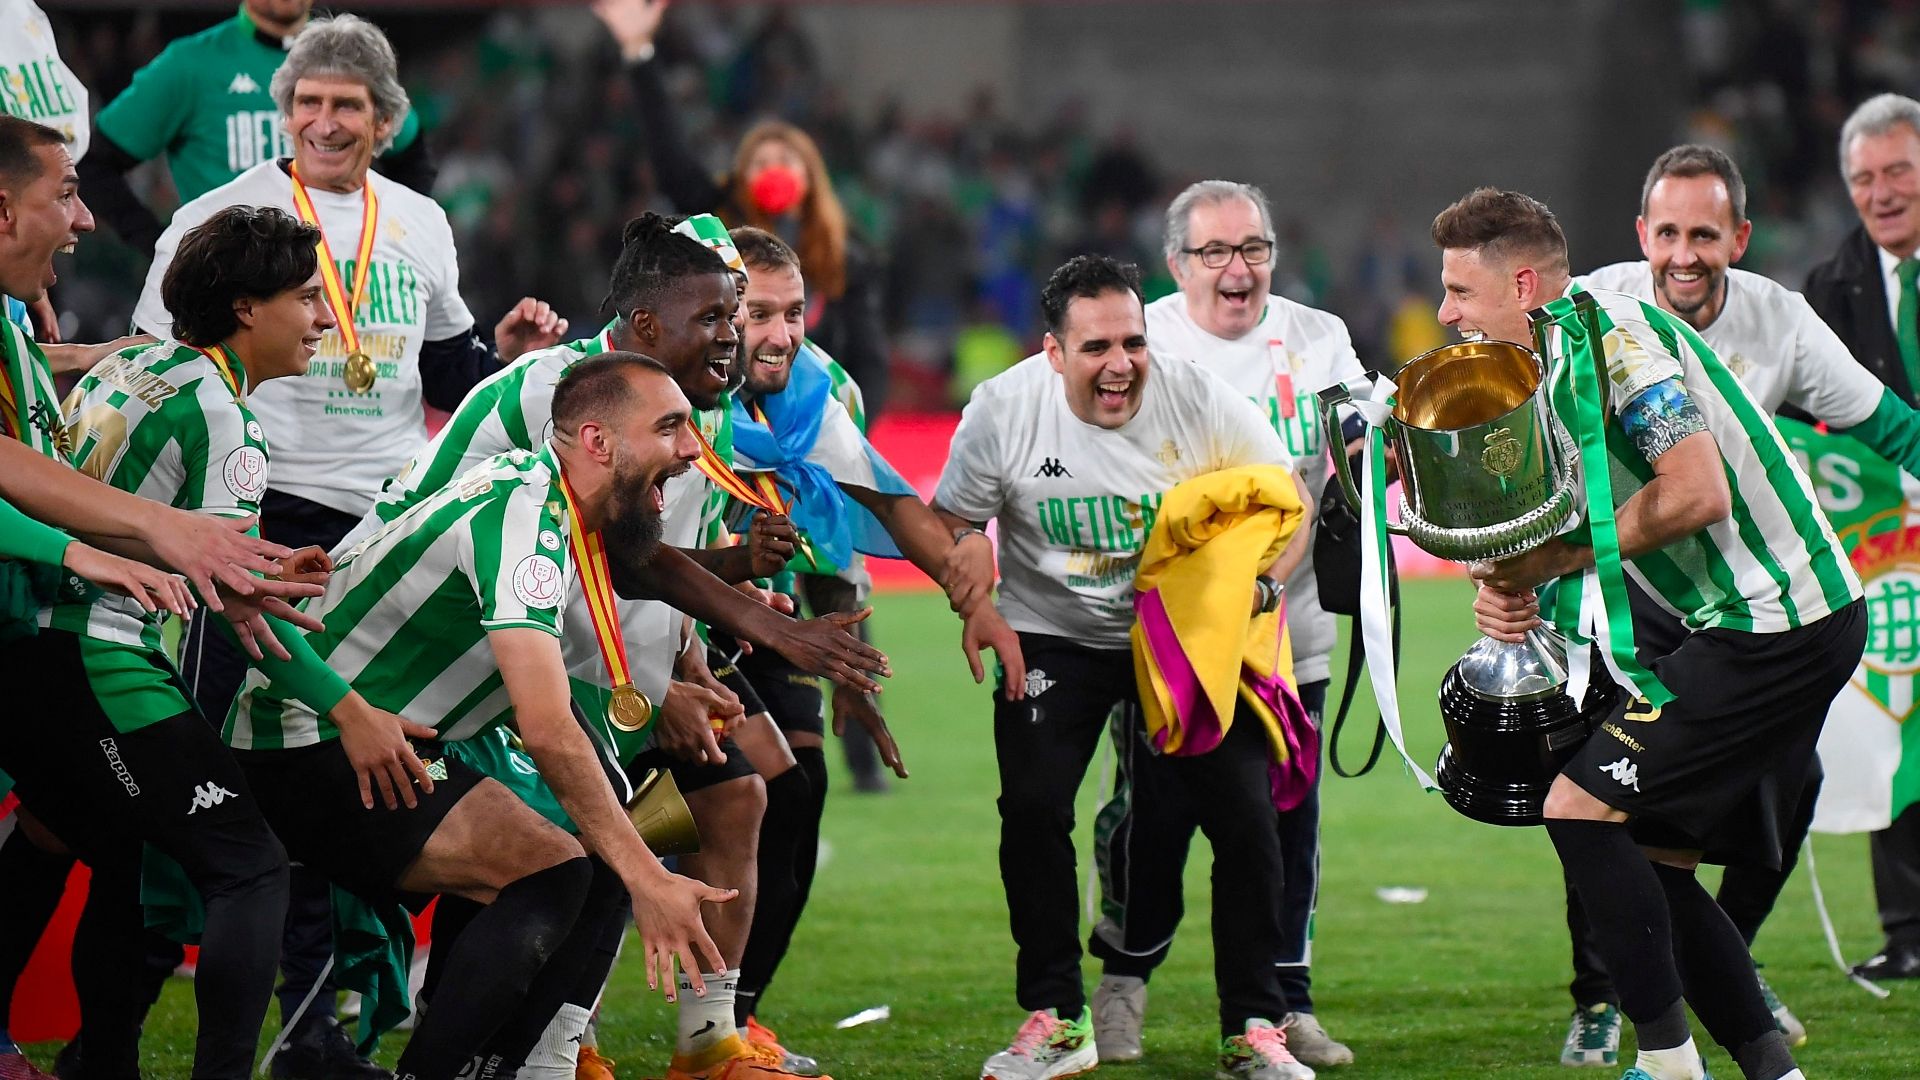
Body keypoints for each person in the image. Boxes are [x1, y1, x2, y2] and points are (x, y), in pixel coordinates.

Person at [352, 212, 889, 1080]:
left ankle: (705, 1040)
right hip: (505, 678)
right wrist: (765, 632)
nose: (738, 335)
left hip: (622, 677)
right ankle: (543, 1050)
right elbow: (590, 559)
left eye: (742, 314)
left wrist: (697, 660)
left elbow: (650, 557)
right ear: (649, 324)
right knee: (581, 844)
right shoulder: (555, 394)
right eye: (720, 316)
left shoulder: (691, 410)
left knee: (741, 794)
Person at [1443, 187, 1864, 1080]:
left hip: (1778, 622)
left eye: (1460, 293)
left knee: (1578, 807)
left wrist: (1554, 565)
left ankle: (1669, 1061)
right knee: (1652, 861)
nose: (1446, 314)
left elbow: (1695, 491)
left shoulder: (1616, 343)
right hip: (1747, 623)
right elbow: (1567, 520)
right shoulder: (1553, 354)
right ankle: (1769, 1068)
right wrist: (1513, 582)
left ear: (1522, 285)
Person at [229, 353, 739, 1080]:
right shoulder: (527, 517)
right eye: (671, 428)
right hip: (310, 736)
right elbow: (548, 729)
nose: (693, 449)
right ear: (597, 443)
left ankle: (515, 1065)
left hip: (383, 739)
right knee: (565, 869)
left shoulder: (548, 500)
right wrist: (651, 878)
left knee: (588, 851)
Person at [1568, 143, 1920, 1064]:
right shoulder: (1598, 307)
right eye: (1669, 234)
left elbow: (1890, 426)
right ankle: (1607, 995)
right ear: (1642, 235)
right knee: (1604, 793)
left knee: (1781, 791)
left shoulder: (1784, 324)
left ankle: (1720, 966)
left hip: (1759, 616)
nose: (1683, 255)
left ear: (1741, 238)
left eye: (1705, 235)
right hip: (1638, 602)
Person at [0, 117, 335, 1080]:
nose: (321, 320)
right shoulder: (225, 416)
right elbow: (230, 593)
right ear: (245, 308)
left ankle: (97, 1059)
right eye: (307, 299)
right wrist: (350, 708)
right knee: (248, 864)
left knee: (95, 835)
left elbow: (168, 530)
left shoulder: (135, 361)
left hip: (42, 636)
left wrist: (243, 562)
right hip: (91, 646)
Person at [935, 254, 1318, 1080]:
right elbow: (953, 521)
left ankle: (1252, 1029)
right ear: (1053, 352)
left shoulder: (1195, 395)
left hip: (1179, 638)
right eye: (1097, 347)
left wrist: (1254, 588)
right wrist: (977, 601)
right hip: (1053, 635)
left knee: (1248, 819)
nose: (1121, 366)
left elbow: (1290, 500)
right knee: (1033, 808)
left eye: (1134, 343)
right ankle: (1057, 1016)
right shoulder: (1003, 409)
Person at [1084, 179, 1362, 1069]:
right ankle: (1123, 983)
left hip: (1293, 630)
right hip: (1173, 641)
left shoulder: (1319, 340)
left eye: (1255, 249)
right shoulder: (1144, 339)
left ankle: (1286, 1002)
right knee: (1152, 820)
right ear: (1177, 265)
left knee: (1292, 822)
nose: (1238, 269)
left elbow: (1356, 449)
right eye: (1216, 252)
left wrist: (1372, 450)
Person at [721, 225, 1012, 1075]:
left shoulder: (813, 396)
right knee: (670, 815)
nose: (780, 334)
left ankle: (736, 1019)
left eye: (794, 312)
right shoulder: (670, 396)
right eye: (759, 314)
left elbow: (884, 505)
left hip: (772, 624)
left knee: (799, 789)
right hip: (658, 626)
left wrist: (975, 597)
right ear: (717, 314)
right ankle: (574, 1026)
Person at [590, 0, 888, 421]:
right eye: (761, 164)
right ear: (741, 176)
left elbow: (868, 359)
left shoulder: (844, 256)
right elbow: (669, 151)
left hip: (809, 418)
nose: (774, 172)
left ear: (811, 179)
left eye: (786, 163)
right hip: (720, 410)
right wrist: (639, 51)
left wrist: (857, 436)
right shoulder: (716, 229)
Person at [1802, 92, 1920, 985]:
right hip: (1889, 547)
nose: (1881, 193)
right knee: (1892, 711)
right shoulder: (1828, 291)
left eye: (1899, 172)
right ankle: (1909, 925)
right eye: (1864, 178)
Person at [78, 0, 435, 258]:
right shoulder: (191, 65)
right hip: (228, 292)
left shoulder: (350, 60)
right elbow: (95, 166)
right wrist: (161, 245)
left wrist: (393, 243)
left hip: (343, 288)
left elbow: (413, 157)